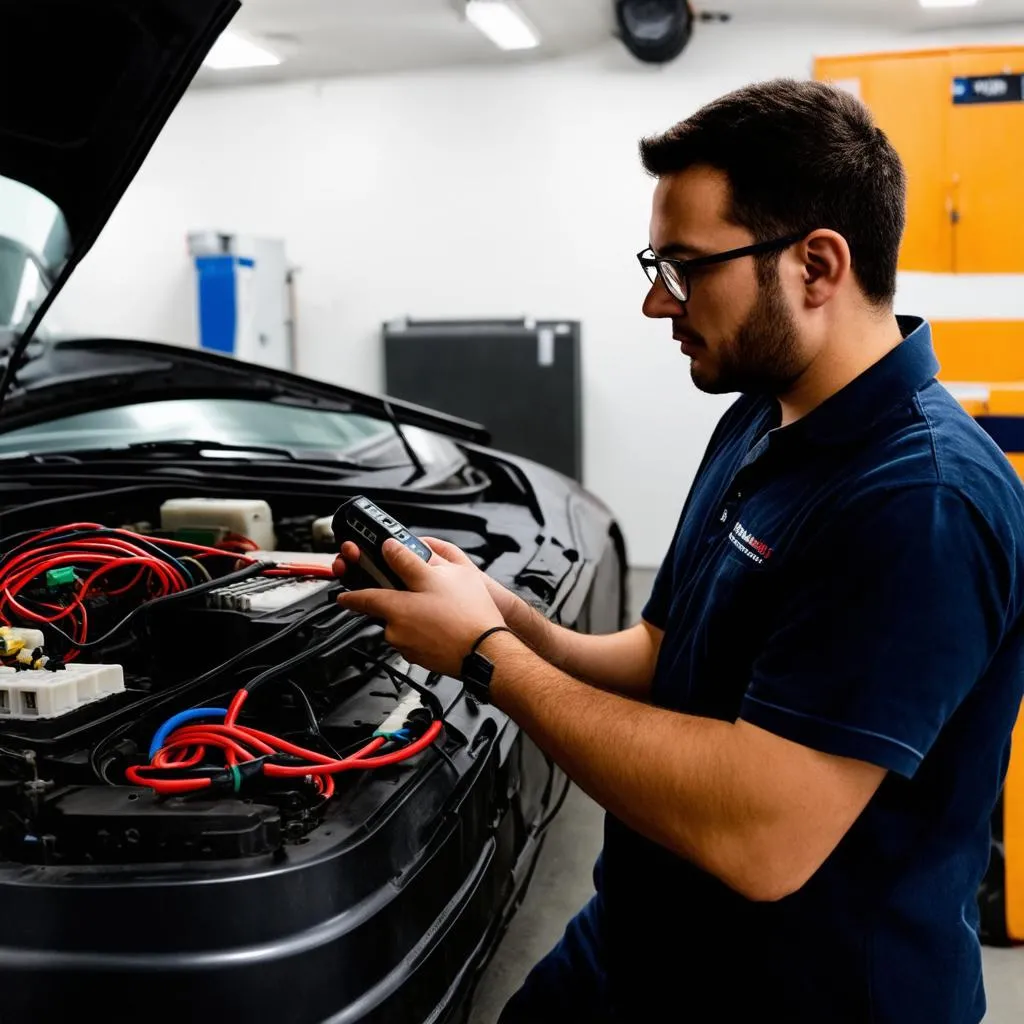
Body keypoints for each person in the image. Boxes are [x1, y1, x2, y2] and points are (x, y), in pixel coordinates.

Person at [334, 79, 1024, 1024]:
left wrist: (485, 661)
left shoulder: (922, 503)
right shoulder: (761, 416)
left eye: (688, 268)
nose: (661, 303)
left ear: (817, 267)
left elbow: (763, 837)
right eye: (656, 264)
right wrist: (506, 618)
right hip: (642, 949)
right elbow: (663, 657)